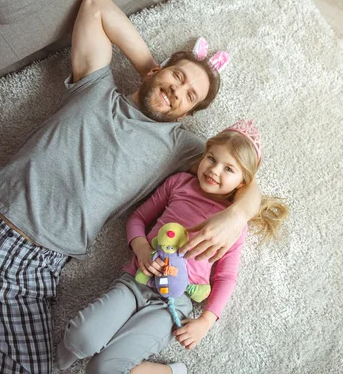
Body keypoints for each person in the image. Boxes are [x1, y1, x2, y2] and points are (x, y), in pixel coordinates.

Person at [0, 0, 261, 374]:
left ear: (186, 116)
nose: (178, 90)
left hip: (34, 271)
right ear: (159, 68)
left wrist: (238, 214)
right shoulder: (95, 87)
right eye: (178, 76)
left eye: (189, 95)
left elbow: (243, 170)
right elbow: (95, 6)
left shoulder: (179, 146)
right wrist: (150, 70)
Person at [55, 120, 288, 374]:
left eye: (228, 169)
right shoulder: (179, 184)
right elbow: (138, 219)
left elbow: (226, 276)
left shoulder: (234, 226)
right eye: (211, 159)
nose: (214, 170)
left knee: (102, 369)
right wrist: (142, 248)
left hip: (174, 303)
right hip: (137, 279)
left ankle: (171, 371)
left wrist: (206, 321)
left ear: (242, 183)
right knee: (80, 338)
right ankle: (52, 361)